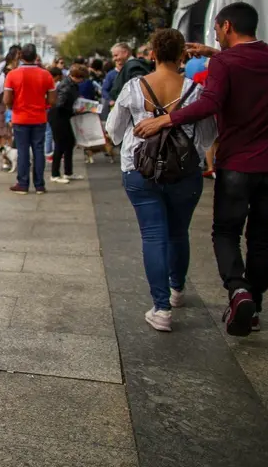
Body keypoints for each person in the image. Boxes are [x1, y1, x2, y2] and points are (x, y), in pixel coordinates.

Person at [135, 3, 268, 336]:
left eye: (218, 30)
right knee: (262, 240)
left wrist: (165, 118)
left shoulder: (224, 62)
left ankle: (238, 290)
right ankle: (254, 308)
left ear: (227, 27)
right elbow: (246, 61)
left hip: (238, 163)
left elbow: (210, 102)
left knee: (226, 232)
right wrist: (211, 52)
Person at [108, 28, 215, 331]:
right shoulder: (196, 90)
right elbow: (208, 136)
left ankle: (161, 308)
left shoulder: (133, 87)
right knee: (178, 232)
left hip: (140, 169)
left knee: (153, 235)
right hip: (185, 171)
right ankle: (177, 289)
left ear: (152, 54)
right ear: (183, 54)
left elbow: (115, 131)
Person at [3, 44, 56, 195]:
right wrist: (43, 104)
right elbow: (52, 100)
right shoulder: (46, 75)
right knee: (39, 150)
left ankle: (23, 183)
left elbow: (7, 99)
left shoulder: (12, 75)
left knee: (23, 151)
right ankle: (40, 185)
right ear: (35, 56)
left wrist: (14, 106)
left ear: (20, 56)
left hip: (20, 118)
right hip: (39, 117)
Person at [48, 63, 88, 185]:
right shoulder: (66, 86)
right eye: (82, 78)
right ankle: (55, 174)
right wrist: (75, 109)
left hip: (65, 117)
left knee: (69, 143)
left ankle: (68, 171)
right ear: (77, 76)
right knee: (60, 145)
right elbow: (59, 104)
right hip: (59, 117)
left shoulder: (72, 84)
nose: (83, 81)